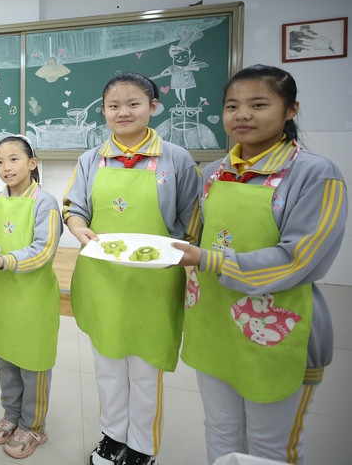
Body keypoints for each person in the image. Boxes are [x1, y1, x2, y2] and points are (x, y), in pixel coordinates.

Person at [175, 65, 347, 465]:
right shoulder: (213, 172)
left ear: (291, 109)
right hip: (213, 324)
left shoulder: (315, 174)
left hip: (276, 329)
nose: (242, 115)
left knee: (270, 447)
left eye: (258, 104)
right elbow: (197, 237)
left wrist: (208, 259)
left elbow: (302, 258)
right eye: (232, 106)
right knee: (220, 428)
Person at [63, 72, 202, 465]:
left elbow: (192, 219)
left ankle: (142, 446)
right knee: (107, 365)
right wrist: (79, 228)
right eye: (113, 106)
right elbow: (74, 207)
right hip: (103, 278)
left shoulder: (176, 158)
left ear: (153, 106)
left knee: (145, 369)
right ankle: (112, 435)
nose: (123, 112)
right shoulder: (91, 159)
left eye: (133, 104)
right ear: (104, 111)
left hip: (153, 281)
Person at [0, 135, 62, 459]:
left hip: (34, 300)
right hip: (3, 297)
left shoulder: (45, 203)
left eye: (13, 159)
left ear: (32, 163)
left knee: (33, 364)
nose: (6, 167)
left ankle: (34, 426)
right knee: (6, 360)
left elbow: (43, 251)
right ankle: (11, 414)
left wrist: (4, 261)